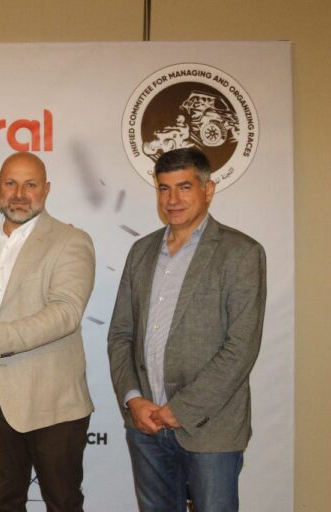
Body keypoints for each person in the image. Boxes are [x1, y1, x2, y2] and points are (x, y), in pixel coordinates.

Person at [107, 147, 266, 512]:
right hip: (146, 426)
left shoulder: (241, 252)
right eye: (164, 188)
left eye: (184, 187)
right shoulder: (141, 252)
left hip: (211, 429)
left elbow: (241, 347)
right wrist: (133, 399)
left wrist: (181, 409)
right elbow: (120, 335)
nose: (172, 199)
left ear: (208, 190)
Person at [0, 152, 96, 512]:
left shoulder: (70, 240)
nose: (19, 194)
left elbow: (66, 313)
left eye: (30, 184)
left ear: (46, 189)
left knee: (63, 504)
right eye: (11, 183)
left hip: (53, 402)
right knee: (3, 503)